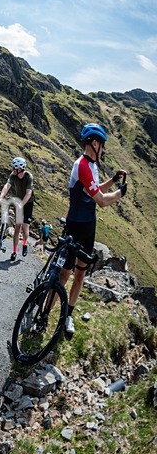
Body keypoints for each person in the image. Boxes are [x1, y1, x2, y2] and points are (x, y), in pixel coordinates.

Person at [58, 123, 127, 335]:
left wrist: (113, 180)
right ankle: (43, 315)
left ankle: (67, 316)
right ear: (95, 143)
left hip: (89, 227)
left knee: (79, 276)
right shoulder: (83, 165)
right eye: (103, 146)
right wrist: (120, 193)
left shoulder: (92, 165)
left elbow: (94, 189)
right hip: (75, 226)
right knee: (63, 275)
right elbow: (102, 201)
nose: (104, 150)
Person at [0, 157, 35, 261]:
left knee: (25, 227)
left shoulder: (28, 177)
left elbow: (28, 194)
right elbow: (6, 186)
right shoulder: (13, 175)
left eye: (14, 168)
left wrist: (22, 205)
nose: (12, 169)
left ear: (20, 169)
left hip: (28, 202)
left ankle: (25, 244)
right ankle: (14, 252)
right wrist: (1, 197)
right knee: (17, 227)